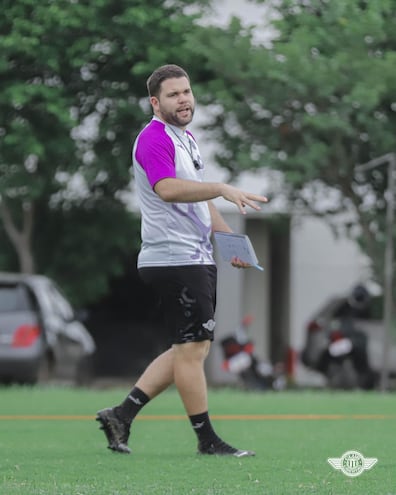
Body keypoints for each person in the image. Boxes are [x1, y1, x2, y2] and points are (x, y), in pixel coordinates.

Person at [96, 64, 268, 457]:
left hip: (194, 256)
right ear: (155, 102)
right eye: (173, 94)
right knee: (192, 349)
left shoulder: (185, 138)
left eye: (186, 91)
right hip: (173, 257)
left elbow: (198, 199)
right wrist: (223, 187)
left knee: (189, 348)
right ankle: (207, 441)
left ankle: (121, 415)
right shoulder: (154, 138)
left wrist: (229, 242)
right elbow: (169, 189)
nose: (184, 99)